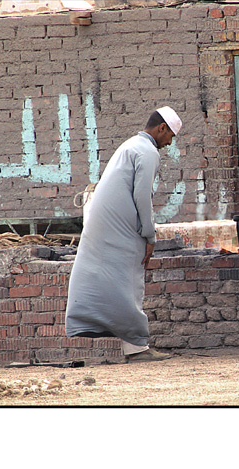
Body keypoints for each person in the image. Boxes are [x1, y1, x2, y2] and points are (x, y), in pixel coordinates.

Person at [65, 106, 182, 362]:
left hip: (104, 224)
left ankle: (132, 344)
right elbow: (142, 197)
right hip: (122, 226)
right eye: (170, 136)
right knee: (130, 282)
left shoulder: (131, 145)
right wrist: (149, 235)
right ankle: (137, 348)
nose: (169, 143)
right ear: (162, 128)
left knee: (117, 281)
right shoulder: (148, 152)